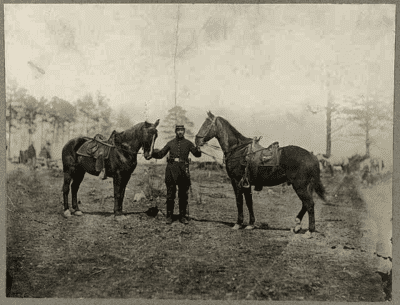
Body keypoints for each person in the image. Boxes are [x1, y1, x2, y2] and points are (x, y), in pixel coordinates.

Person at [151, 125, 202, 224]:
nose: (180, 132)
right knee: (170, 195)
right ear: (175, 131)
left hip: (183, 172)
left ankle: (182, 217)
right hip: (171, 171)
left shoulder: (188, 143)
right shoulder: (170, 143)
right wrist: (152, 152)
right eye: (178, 130)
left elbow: (197, 154)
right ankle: (169, 217)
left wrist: (198, 148)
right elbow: (161, 154)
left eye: (182, 130)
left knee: (183, 196)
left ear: (184, 131)